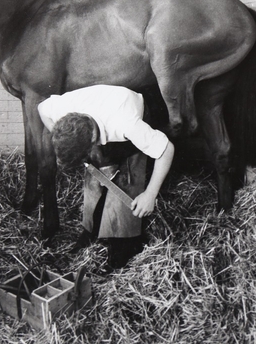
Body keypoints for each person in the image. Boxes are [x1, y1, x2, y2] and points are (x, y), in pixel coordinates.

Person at [38, 84, 174, 269]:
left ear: (93, 142)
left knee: (128, 177)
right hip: (101, 114)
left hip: (131, 112)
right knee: (94, 178)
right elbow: (41, 108)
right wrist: (59, 135)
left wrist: (150, 194)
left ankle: (123, 242)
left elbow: (166, 149)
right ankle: (90, 230)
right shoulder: (61, 109)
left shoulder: (127, 124)